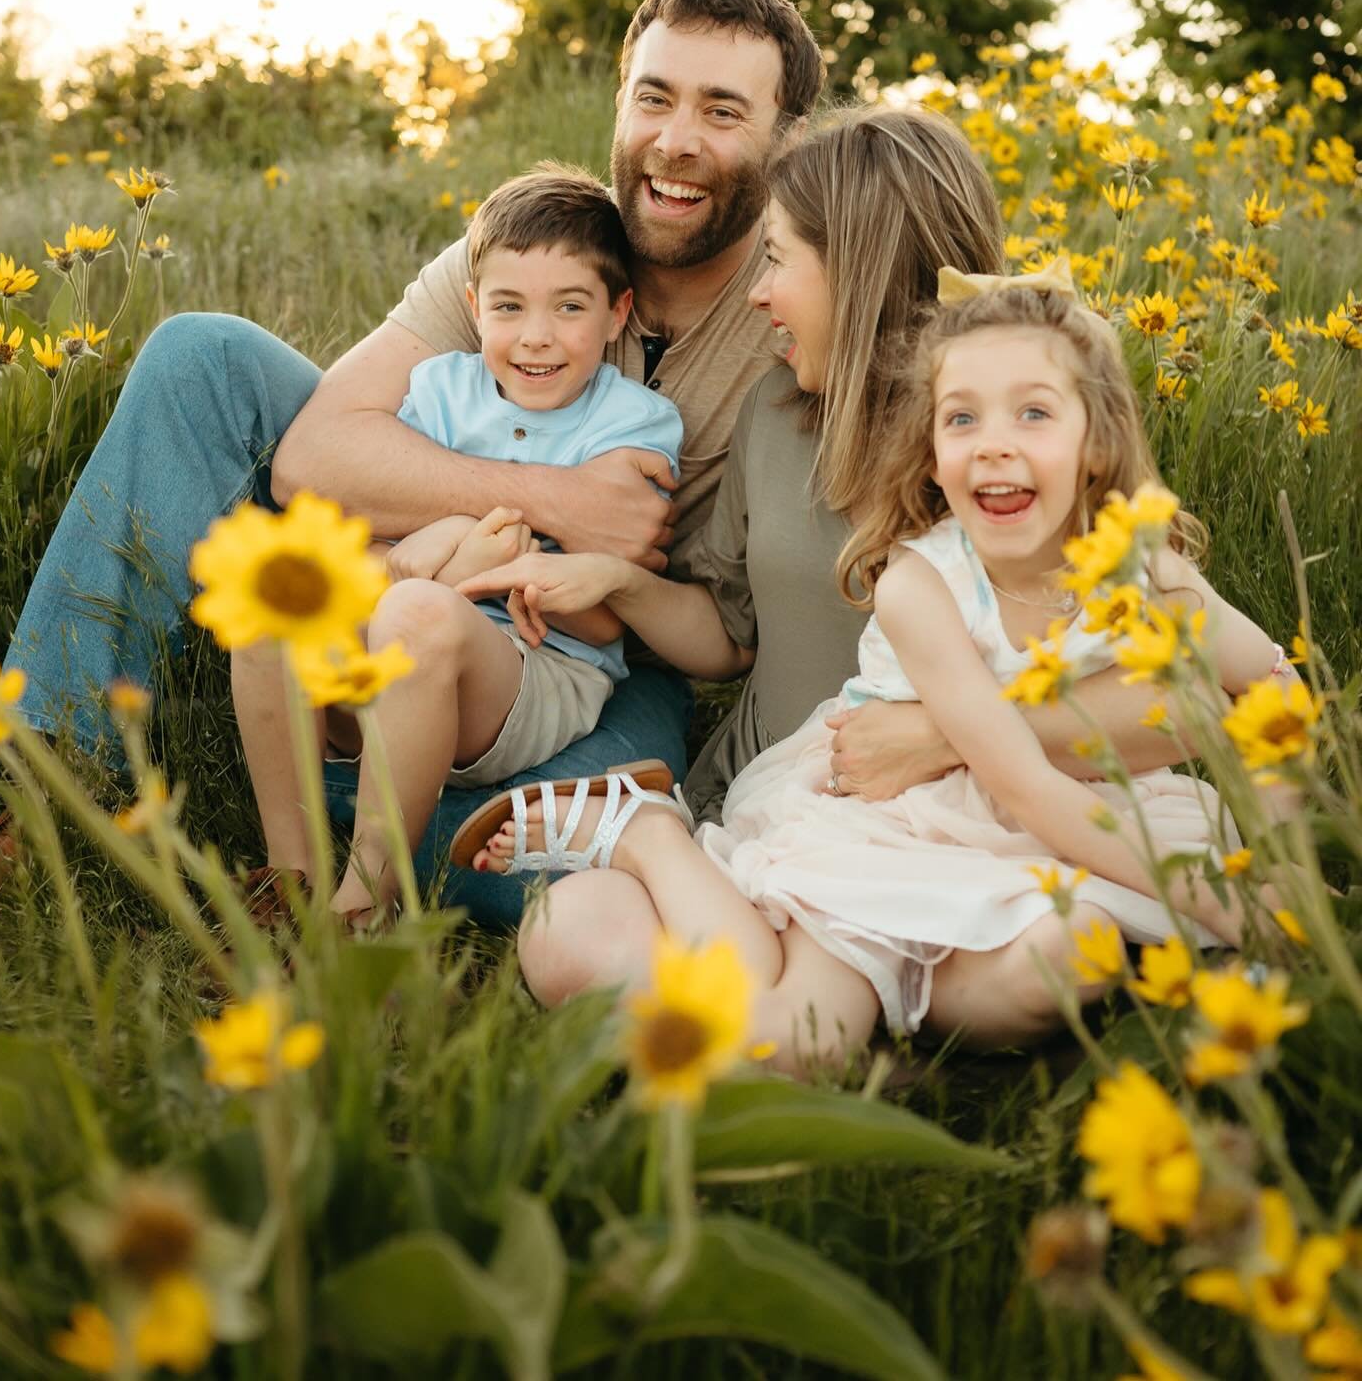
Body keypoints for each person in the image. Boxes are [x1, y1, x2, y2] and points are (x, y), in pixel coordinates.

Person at [0, 0, 826, 930]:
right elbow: (318, 457)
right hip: (417, 580)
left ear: (785, 139)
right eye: (654, 97)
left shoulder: (795, 292)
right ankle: (51, 785)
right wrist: (553, 500)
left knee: (582, 862)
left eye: (722, 111)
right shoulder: (537, 242)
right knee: (201, 355)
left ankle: (344, 804)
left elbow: (740, 618)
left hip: (602, 656)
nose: (675, 142)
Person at [460, 276, 1285, 1068]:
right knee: (795, 1042)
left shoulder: (1148, 571)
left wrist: (1287, 868)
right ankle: (649, 834)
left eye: (1033, 413)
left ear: (1097, 439)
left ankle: (894, 1043)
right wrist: (1239, 911)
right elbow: (1024, 782)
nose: (994, 442)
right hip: (890, 817)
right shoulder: (921, 588)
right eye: (962, 420)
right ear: (930, 457)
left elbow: (1273, 684)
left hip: (1053, 828)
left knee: (1071, 963)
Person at [229, 166, 684, 922]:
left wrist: (467, 558)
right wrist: (445, 540)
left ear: (617, 314)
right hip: (398, 639)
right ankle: (291, 874)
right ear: (474, 309)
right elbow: (373, 540)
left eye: (569, 307)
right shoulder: (438, 390)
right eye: (509, 306)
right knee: (274, 601)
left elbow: (604, 620)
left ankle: (367, 906)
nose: (536, 335)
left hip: (541, 672)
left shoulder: (633, 426)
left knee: (419, 614)